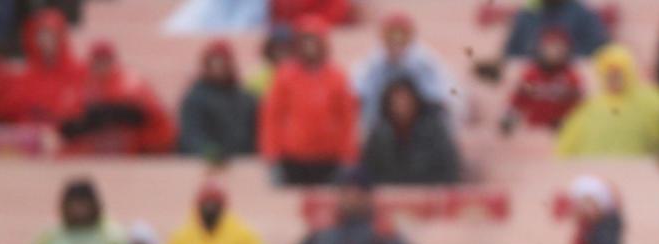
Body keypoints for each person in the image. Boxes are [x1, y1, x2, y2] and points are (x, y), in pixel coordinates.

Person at [285, 168, 425, 244]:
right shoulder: (323, 228)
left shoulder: (378, 228)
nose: (352, 198)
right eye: (346, 192)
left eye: (358, 193)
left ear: (368, 196)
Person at [259, 17, 359, 185]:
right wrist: (272, 155)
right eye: (305, 40)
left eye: (314, 40)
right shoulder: (284, 76)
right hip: (292, 159)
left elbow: (347, 119)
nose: (310, 46)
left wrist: (348, 156)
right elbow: (272, 118)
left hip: (329, 159)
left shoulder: (338, 77)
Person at [58, 40, 177, 156]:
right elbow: (67, 124)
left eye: (105, 61)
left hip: (129, 149)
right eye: (98, 61)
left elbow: (151, 115)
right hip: (98, 148)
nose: (101, 66)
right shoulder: (82, 87)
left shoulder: (131, 84)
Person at [354, 12, 464, 134]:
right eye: (391, 37)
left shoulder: (424, 62)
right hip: (382, 125)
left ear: (410, 37)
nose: (396, 42)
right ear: (382, 38)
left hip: (420, 126)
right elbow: (358, 92)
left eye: (401, 37)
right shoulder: (374, 63)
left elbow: (445, 96)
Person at [555, 44, 659, 157]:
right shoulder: (588, 109)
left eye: (619, 72)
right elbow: (566, 148)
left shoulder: (652, 100)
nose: (614, 78)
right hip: (598, 169)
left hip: (638, 169)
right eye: (609, 74)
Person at [20, 178, 124, 244]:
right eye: (73, 204)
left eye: (83, 204)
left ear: (94, 205)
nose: (78, 210)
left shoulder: (112, 237)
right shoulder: (52, 236)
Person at [165, 181, 272, 244]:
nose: (209, 208)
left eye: (214, 203)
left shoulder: (245, 236)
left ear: (223, 206)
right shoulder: (180, 237)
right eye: (206, 203)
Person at [361, 77, 463, 186]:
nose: (401, 105)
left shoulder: (435, 131)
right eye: (396, 101)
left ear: (416, 102)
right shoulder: (379, 134)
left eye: (406, 100)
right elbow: (368, 172)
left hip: (430, 195)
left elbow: (449, 170)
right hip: (389, 196)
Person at [178, 40, 258, 159]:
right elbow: (191, 134)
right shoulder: (195, 98)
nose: (219, 68)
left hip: (244, 162)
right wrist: (206, 150)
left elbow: (254, 131)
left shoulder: (245, 98)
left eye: (222, 63)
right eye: (215, 63)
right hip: (207, 165)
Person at [5, 9, 85, 125]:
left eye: (51, 35)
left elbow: (82, 110)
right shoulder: (25, 77)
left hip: (68, 136)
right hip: (35, 136)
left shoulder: (78, 71)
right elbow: (16, 112)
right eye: (41, 35)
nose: (46, 41)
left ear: (60, 37)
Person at [503, 27, 585, 132]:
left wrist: (568, 121)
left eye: (558, 48)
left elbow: (580, 106)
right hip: (533, 130)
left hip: (562, 131)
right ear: (541, 49)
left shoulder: (572, 76)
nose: (553, 52)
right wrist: (509, 118)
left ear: (566, 50)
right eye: (549, 47)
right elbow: (517, 100)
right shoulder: (531, 74)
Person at [502, 0, 609, 61]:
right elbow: (511, 55)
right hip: (532, 87)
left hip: (573, 86)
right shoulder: (526, 15)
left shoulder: (583, 14)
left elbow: (601, 51)